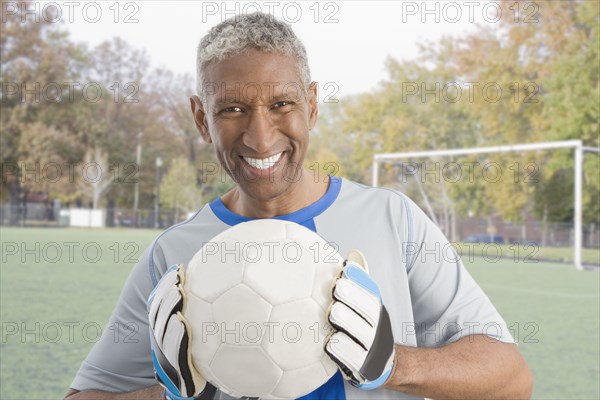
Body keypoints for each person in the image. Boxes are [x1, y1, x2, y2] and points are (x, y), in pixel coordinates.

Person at [65, 12, 533, 400]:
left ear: (311, 105)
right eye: (231, 109)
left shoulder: (393, 219)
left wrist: (394, 363)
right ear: (200, 118)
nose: (260, 136)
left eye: (282, 104)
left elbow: (511, 379)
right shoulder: (173, 255)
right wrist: (170, 394)